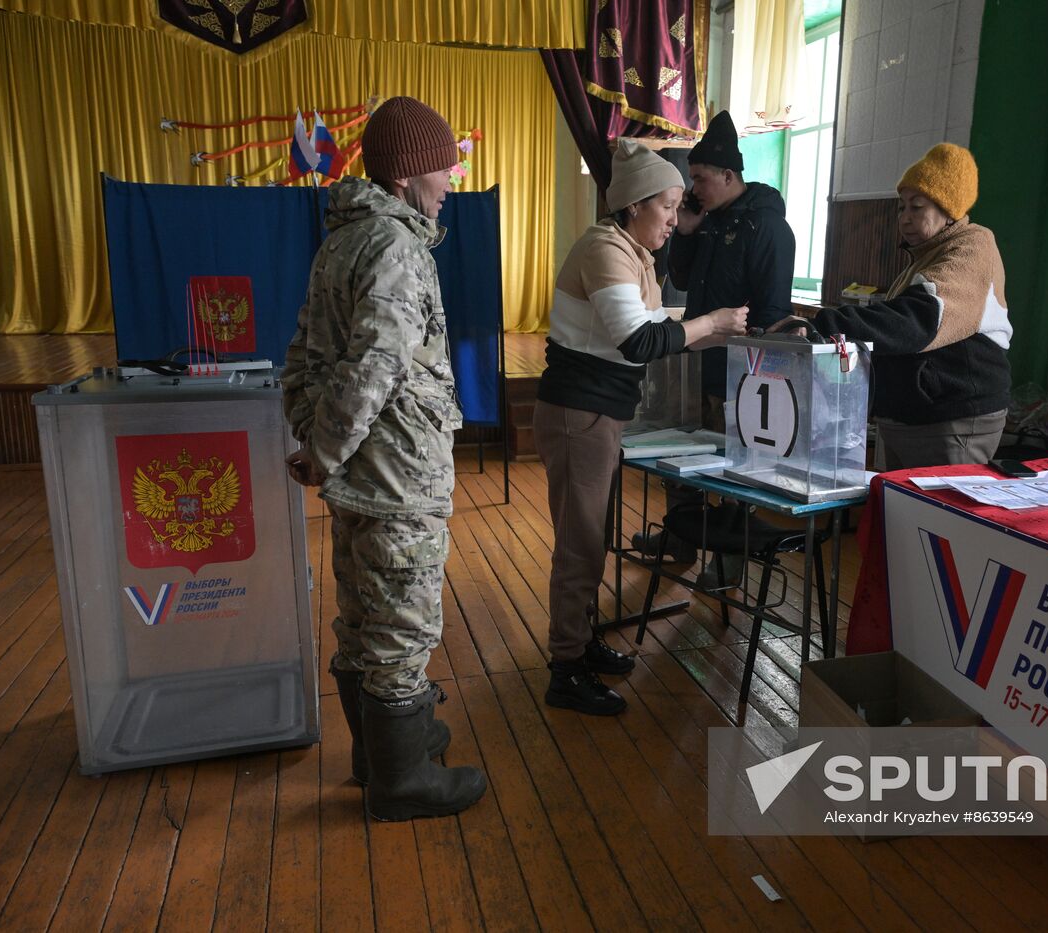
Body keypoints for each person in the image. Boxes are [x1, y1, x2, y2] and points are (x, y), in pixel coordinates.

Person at [280, 96, 487, 821]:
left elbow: (303, 354)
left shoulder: (343, 239)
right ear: (405, 175)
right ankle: (402, 783)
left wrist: (315, 449)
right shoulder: (397, 248)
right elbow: (375, 366)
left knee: (365, 617)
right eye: (445, 162)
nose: (456, 174)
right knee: (400, 626)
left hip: (358, 478)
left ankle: (381, 754)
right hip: (399, 478)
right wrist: (327, 447)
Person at [536, 140, 748, 716]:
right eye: (669, 207)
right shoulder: (606, 249)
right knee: (580, 544)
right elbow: (639, 339)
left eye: (680, 207)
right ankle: (566, 668)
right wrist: (710, 321)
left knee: (591, 537)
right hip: (581, 412)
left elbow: (654, 320)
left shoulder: (629, 249)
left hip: (598, 411)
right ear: (633, 205)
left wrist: (714, 329)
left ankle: (578, 643)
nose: (676, 220)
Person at [633, 111, 797, 579]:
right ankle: (682, 537)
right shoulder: (708, 220)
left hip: (742, 371)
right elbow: (681, 279)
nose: (694, 188)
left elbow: (772, 311)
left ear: (729, 176)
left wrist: (755, 376)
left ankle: (730, 557)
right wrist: (684, 233)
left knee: (732, 466)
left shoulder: (765, 228)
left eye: (701, 179)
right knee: (684, 457)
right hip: (699, 361)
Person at [779, 142, 1012, 470]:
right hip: (909, 419)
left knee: (940, 518)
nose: (904, 219)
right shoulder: (926, 257)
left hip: (951, 420)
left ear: (949, 210)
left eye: (917, 207)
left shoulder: (973, 248)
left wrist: (824, 324)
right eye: (901, 208)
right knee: (897, 515)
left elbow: (918, 321)